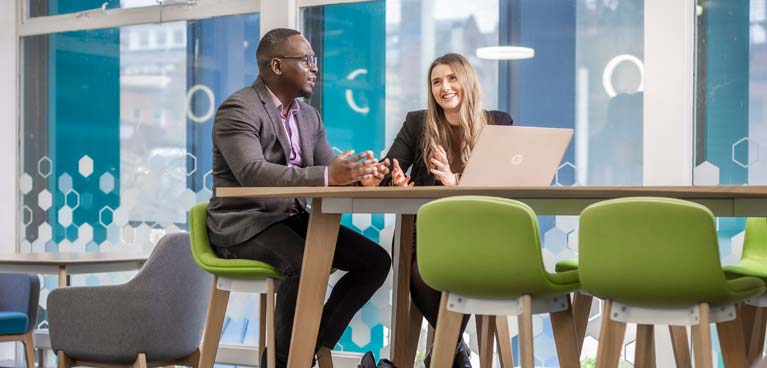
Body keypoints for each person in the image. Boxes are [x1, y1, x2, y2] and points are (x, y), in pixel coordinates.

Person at [206, 28, 392, 368]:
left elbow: (327, 173)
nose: (315, 68)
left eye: (314, 60)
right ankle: (281, 361)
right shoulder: (238, 108)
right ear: (276, 65)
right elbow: (252, 172)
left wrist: (359, 180)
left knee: (375, 261)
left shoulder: (309, 116)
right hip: (244, 223)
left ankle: (304, 350)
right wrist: (329, 175)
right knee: (305, 263)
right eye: (307, 60)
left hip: (290, 218)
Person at [372, 53, 513, 367]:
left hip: (480, 229)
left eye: (452, 78)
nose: (444, 87)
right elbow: (385, 173)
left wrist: (457, 181)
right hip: (427, 226)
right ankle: (452, 352)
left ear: (467, 81)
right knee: (416, 268)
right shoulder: (417, 123)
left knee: (458, 269)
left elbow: (505, 184)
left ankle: (443, 354)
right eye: (436, 81)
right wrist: (394, 182)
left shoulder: (497, 123)